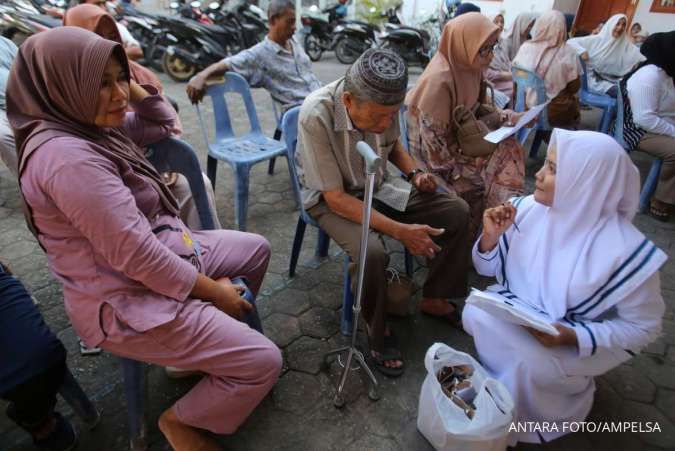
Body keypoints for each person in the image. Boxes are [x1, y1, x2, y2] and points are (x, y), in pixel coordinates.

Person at [7, 27, 281, 451]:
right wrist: (214, 295)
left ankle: (198, 357)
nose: (118, 93)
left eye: (122, 78)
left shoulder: (91, 126)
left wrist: (131, 88)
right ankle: (180, 422)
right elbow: (137, 257)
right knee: (264, 361)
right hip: (125, 297)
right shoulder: (67, 159)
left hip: (166, 249)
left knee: (255, 250)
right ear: (62, 85)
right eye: (101, 82)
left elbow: (165, 122)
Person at [464, 129, 666, 446]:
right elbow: (485, 268)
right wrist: (490, 237)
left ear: (587, 182)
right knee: (475, 312)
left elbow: (644, 327)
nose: (539, 176)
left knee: (530, 363)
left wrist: (571, 336)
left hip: (570, 336)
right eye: (546, 164)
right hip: (520, 313)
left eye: (555, 170)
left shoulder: (623, 250)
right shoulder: (529, 209)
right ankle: (500, 395)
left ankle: (532, 413)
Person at [296, 49, 470, 377]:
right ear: (348, 100)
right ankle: (376, 332)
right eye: (378, 117)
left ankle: (436, 297)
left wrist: (416, 174)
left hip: (377, 184)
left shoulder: (383, 106)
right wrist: (399, 231)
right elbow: (334, 198)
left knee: (456, 211)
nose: (385, 123)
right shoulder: (315, 114)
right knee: (372, 251)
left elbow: (395, 147)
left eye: (392, 115)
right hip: (331, 198)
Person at [63, 3, 221, 231]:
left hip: (152, 164)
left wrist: (125, 77)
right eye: (95, 38)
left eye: (111, 37)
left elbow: (168, 122)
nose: (106, 45)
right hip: (114, 183)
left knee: (199, 185)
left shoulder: (136, 73)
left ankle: (207, 248)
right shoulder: (71, 97)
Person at [405, 13, 526, 237]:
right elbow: (436, 158)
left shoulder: (469, 69)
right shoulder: (438, 84)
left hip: (461, 143)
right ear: (464, 45)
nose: (491, 55)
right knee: (504, 160)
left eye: (493, 47)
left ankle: (496, 227)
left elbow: (481, 108)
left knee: (509, 149)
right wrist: (478, 159)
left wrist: (505, 117)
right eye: (485, 49)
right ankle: (496, 228)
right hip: (436, 161)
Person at [1, 262, 99, 451]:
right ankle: (89, 415)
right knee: (52, 369)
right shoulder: (8, 281)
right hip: (50, 354)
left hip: (12, 382)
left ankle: (53, 435)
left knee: (24, 403)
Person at [186, 0, 321, 113]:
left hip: (320, 100)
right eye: (289, 22)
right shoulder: (260, 54)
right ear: (274, 20)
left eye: (294, 22)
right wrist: (201, 76)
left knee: (340, 94)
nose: (294, 27)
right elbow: (229, 63)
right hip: (302, 113)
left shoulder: (294, 41)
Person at [623, 31, 675, 221]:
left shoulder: (667, 72)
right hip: (636, 130)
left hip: (658, 124)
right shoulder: (650, 76)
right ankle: (660, 201)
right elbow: (644, 119)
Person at [513, 10, 582, 128]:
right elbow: (574, 87)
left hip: (523, 107)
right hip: (550, 113)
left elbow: (517, 77)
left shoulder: (526, 47)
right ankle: (556, 139)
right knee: (573, 104)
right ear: (563, 28)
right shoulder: (569, 52)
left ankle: (546, 135)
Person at [567, 14, 644, 97]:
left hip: (613, 81)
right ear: (610, 25)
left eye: (623, 25)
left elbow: (641, 56)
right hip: (593, 81)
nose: (620, 27)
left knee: (635, 91)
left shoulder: (624, 44)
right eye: (617, 24)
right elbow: (570, 42)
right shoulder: (596, 40)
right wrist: (582, 51)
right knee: (624, 95)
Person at [80, 0, 144, 61]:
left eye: (104, 4)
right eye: (97, 4)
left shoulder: (116, 26)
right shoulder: (75, 28)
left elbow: (137, 51)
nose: (103, 8)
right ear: (83, 5)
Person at [483, 12, 513, 102]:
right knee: (513, 88)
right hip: (493, 81)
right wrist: (503, 75)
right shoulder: (484, 43)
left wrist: (511, 71)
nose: (500, 24)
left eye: (502, 22)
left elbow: (507, 61)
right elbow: (485, 73)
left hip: (506, 77)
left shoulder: (503, 42)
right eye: (496, 22)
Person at [0, 37, 18, 177]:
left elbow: (24, 68)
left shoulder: (5, 43)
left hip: (22, 98)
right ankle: (29, 182)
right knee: (3, 136)